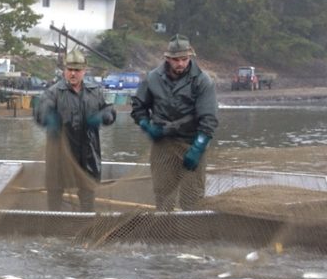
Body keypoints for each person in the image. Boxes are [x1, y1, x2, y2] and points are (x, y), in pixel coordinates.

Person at [131, 34, 218, 211]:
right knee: (163, 195)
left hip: (191, 142)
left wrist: (198, 148)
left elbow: (208, 120)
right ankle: (165, 233)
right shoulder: (153, 78)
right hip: (163, 144)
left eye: (184, 59)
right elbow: (138, 108)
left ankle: (189, 237)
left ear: (190, 57)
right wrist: (147, 126)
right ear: (168, 59)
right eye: (176, 60)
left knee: (192, 197)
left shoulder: (203, 81)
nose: (180, 64)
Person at [34, 50, 115, 211]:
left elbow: (109, 110)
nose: (73, 73)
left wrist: (103, 116)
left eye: (77, 70)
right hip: (60, 152)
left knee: (87, 192)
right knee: (55, 191)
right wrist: (48, 119)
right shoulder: (54, 92)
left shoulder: (95, 91)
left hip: (88, 150)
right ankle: (54, 226)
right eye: (70, 69)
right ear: (64, 70)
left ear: (84, 71)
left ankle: (85, 225)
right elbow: (40, 112)